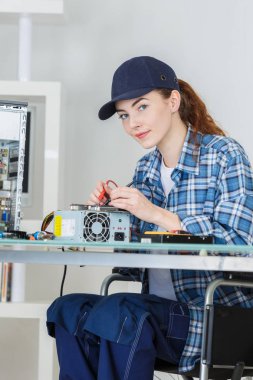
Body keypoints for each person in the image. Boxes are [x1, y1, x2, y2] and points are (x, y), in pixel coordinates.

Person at [47, 56, 253, 380]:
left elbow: (242, 243)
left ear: (173, 101)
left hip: (214, 318)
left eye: (141, 107)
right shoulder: (146, 169)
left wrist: (158, 214)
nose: (132, 124)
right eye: (124, 115)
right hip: (155, 316)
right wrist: (102, 218)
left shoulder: (224, 155)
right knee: (68, 310)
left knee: (122, 313)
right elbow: (132, 255)